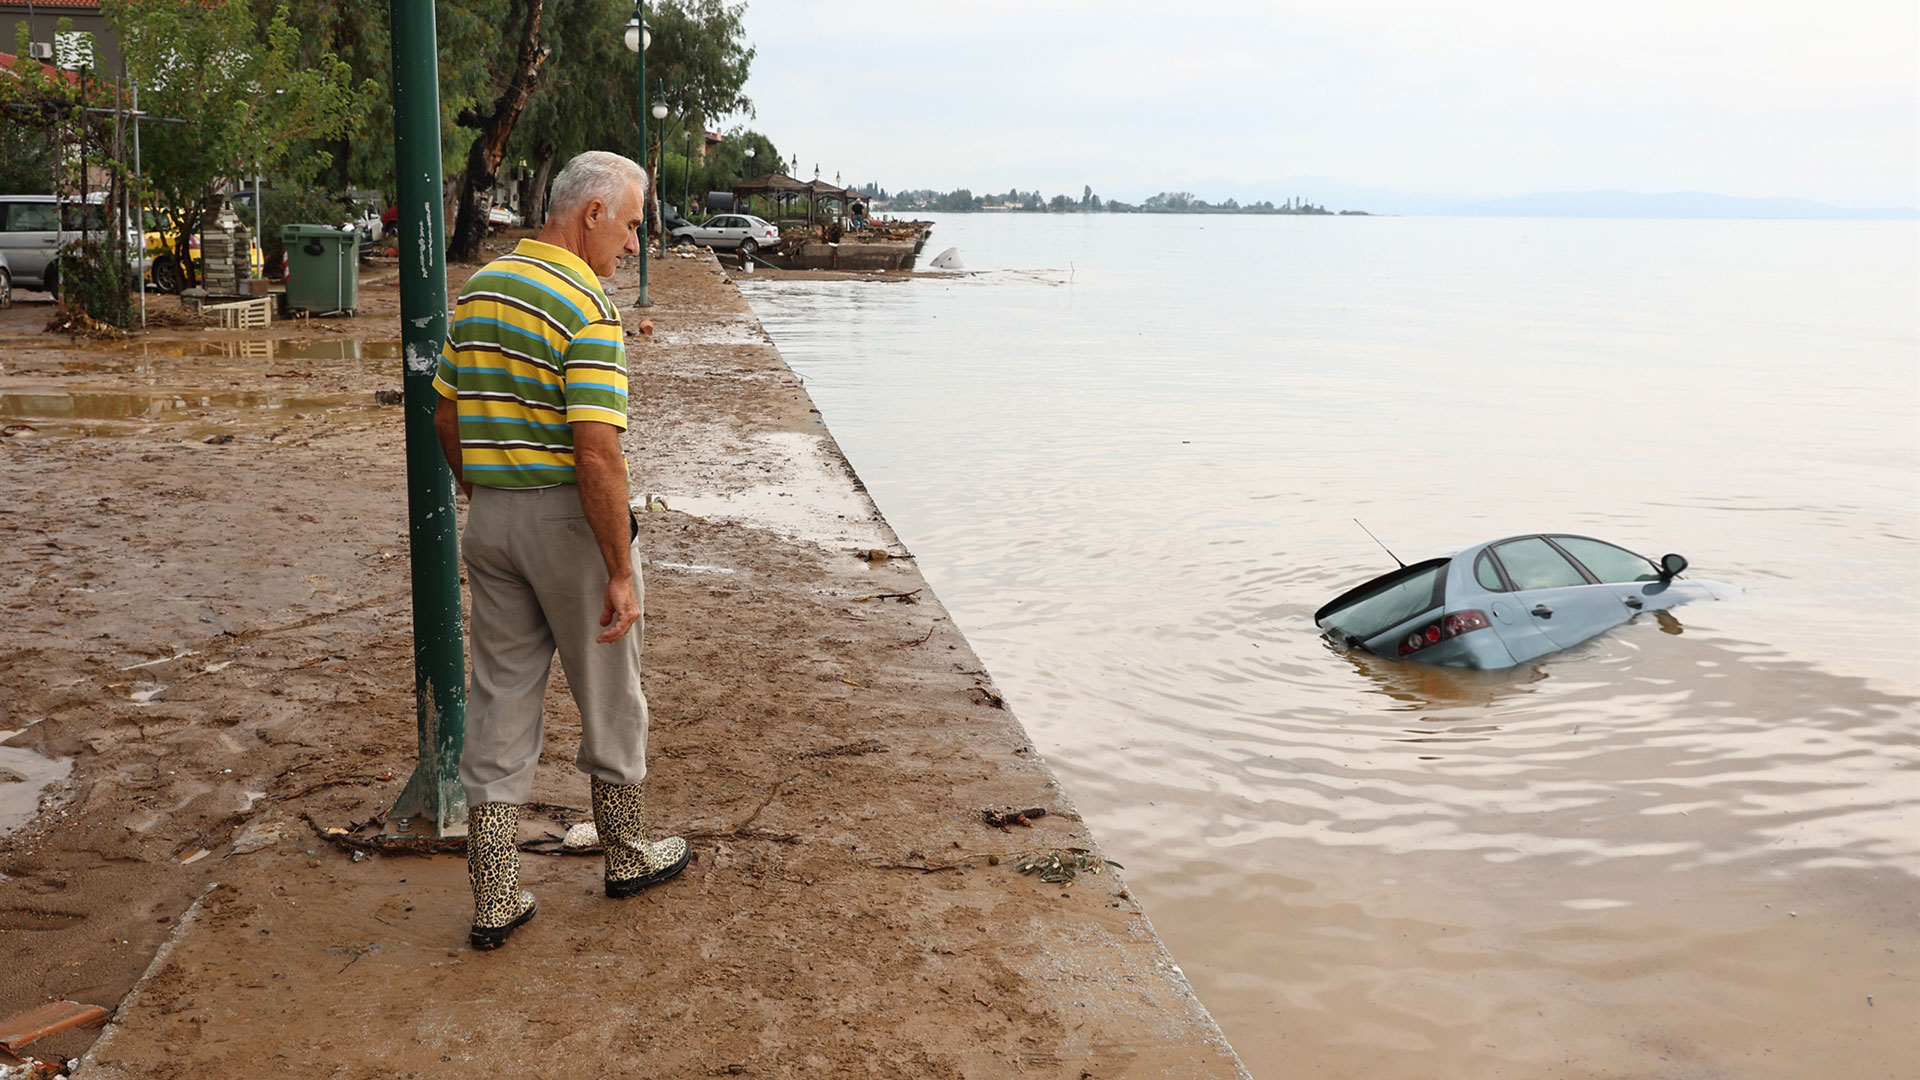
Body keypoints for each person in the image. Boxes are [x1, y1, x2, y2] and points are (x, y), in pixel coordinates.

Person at [432, 150, 690, 951]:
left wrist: (482, 489)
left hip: (495, 522)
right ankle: (626, 852)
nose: (633, 245)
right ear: (592, 214)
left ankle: (496, 894)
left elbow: (444, 414)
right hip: (570, 526)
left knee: (500, 696)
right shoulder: (586, 306)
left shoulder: (482, 288)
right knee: (610, 688)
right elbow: (597, 454)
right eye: (633, 226)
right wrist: (618, 567)